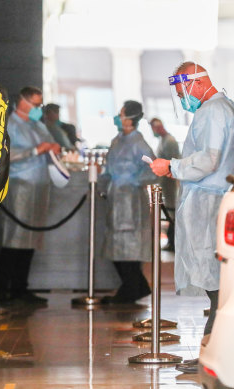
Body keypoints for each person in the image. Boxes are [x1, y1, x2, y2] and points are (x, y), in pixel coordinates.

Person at [150, 62, 234, 373]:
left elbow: (210, 159)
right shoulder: (223, 107)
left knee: (218, 291)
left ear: (198, 84)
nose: (182, 97)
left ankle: (212, 357)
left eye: (182, 91)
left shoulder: (213, 111)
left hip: (209, 204)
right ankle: (211, 354)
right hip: (213, 201)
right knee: (220, 290)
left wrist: (172, 166)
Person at [0, 87, 60, 304]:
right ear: (22, 102)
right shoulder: (9, 124)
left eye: (40, 105)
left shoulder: (38, 125)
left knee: (31, 238)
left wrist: (54, 147)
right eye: (35, 105)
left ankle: (21, 288)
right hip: (18, 187)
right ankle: (2, 290)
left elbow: (50, 144)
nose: (38, 110)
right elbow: (3, 156)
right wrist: (34, 151)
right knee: (14, 239)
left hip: (39, 187)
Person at [99, 100, 157, 304]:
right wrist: (103, 186)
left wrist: (132, 180)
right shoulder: (117, 140)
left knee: (130, 246)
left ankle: (132, 288)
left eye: (121, 113)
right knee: (116, 246)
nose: (118, 116)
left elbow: (153, 169)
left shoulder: (139, 143)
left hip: (132, 200)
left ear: (130, 117)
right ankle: (135, 286)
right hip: (115, 198)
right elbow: (107, 168)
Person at [149, 118, 180, 251]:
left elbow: (173, 164)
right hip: (164, 183)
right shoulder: (162, 141)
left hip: (170, 184)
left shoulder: (170, 141)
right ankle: (170, 241)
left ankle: (173, 242)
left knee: (172, 213)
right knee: (168, 213)